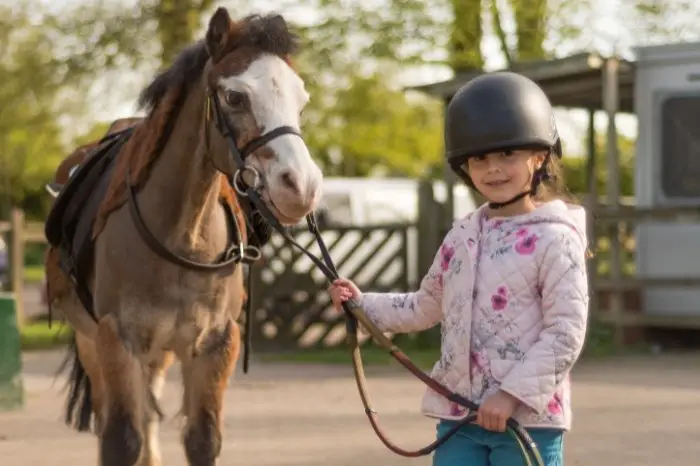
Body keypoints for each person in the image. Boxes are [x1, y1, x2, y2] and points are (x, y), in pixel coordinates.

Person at [328, 71, 589, 466]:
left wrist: (511, 395)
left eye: (507, 155)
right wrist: (361, 305)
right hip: (460, 416)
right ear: (465, 166)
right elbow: (424, 306)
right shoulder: (461, 238)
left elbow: (565, 332)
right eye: (480, 158)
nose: (494, 169)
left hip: (527, 420)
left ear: (538, 157)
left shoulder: (557, 239)